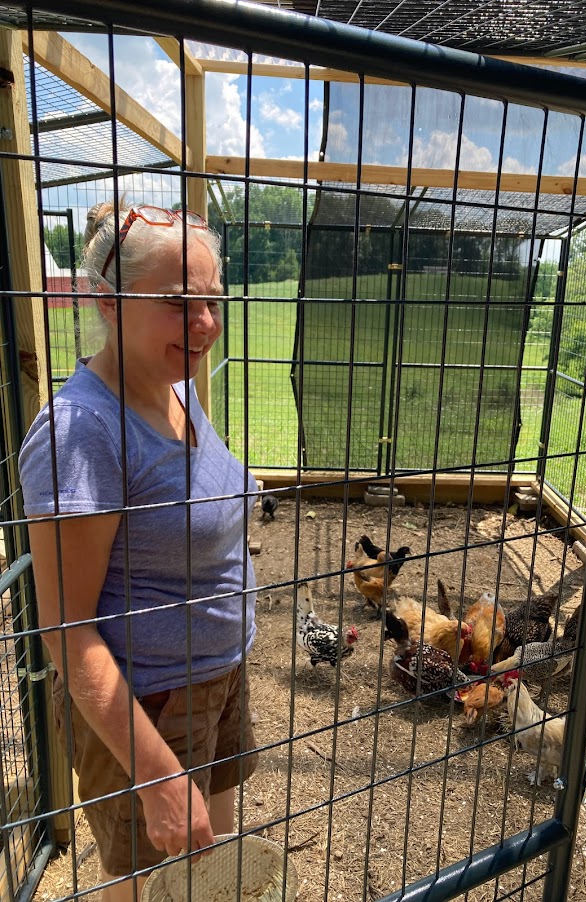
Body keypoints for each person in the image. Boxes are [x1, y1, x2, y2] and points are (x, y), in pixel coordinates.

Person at [19, 201, 259, 901]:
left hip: (216, 677)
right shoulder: (82, 432)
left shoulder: (175, 384)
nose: (205, 322)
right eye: (179, 301)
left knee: (205, 871)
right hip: (145, 703)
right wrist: (155, 775)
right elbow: (65, 630)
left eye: (212, 301)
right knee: (145, 886)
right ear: (108, 300)